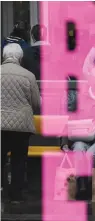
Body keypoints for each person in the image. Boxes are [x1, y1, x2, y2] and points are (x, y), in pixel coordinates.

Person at [1, 43, 41, 203]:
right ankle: (15, 196)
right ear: (20, 57)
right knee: (18, 160)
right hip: (21, 126)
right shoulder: (28, 76)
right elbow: (36, 103)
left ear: (4, 56)